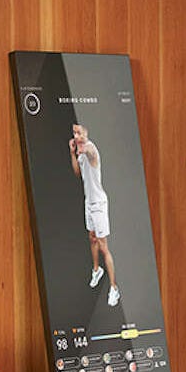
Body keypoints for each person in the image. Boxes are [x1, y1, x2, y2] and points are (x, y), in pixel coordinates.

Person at [71, 123, 120, 307]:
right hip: (88, 203)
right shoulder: (80, 153)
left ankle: (114, 288)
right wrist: (73, 153)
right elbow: (78, 173)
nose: (77, 136)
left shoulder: (91, 150)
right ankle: (97, 270)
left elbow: (90, 152)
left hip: (99, 204)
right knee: (92, 238)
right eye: (74, 132)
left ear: (86, 133)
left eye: (80, 132)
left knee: (103, 245)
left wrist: (84, 146)